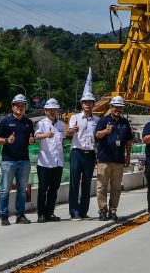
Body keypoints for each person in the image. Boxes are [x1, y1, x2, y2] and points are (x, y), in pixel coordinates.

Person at [0, 94, 36, 226]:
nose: (20, 107)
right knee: (5, 189)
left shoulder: (28, 123)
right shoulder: (5, 121)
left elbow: (31, 138)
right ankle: (4, 216)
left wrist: (32, 141)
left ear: (25, 107)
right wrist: (7, 140)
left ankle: (20, 215)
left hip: (24, 160)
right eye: (17, 105)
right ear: (13, 107)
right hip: (9, 161)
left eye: (22, 105)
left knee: (22, 190)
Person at [95, 95, 134, 220]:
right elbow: (97, 135)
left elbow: (128, 141)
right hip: (104, 160)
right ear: (111, 107)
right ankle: (102, 210)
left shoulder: (125, 122)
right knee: (101, 187)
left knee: (116, 188)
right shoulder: (103, 120)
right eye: (115, 107)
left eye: (120, 107)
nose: (118, 109)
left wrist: (128, 156)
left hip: (118, 161)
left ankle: (112, 211)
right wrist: (106, 131)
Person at [66, 92, 99, 220]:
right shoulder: (75, 118)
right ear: (82, 104)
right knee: (74, 182)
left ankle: (84, 211)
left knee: (87, 183)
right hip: (77, 152)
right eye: (85, 102)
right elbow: (68, 134)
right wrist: (72, 131)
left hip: (90, 154)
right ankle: (74, 212)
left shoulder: (97, 120)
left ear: (93, 104)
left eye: (90, 102)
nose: (88, 104)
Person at [34, 98, 65, 222]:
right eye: (49, 110)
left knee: (54, 189)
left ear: (57, 110)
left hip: (58, 162)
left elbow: (62, 140)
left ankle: (50, 212)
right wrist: (46, 135)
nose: (52, 112)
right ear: (45, 111)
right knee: (42, 189)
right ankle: (41, 214)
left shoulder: (61, 124)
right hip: (45, 162)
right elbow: (36, 136)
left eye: (54, 110)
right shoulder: (42, 123)